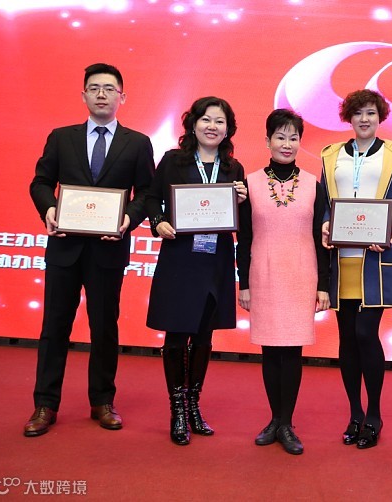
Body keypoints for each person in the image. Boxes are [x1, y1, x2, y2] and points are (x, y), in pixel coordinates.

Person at [25, 63, 155, 437]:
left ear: (122, 97)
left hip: (108, 250)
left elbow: (146, 192)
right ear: (83, 95)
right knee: (54, 327)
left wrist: (128, 219)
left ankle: (102, 401)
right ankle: (45, 404)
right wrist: (49, 209)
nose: (101, 94)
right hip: (64, 247)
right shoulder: (61, 137)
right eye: (94, 88)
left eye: (109, 88)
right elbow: (40, 182)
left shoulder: (137, 143)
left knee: (104, 328)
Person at [146, 96, 247, 446]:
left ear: (228, 129)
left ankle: (193, 406)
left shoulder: (234, 169)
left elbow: (240, 220)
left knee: (204, 338)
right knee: (176, 336)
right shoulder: (173, 160)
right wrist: (158, 222)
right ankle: (176, 410)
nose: (212, 126)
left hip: (216, 260)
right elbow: (151, 197)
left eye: (219, 121)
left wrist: (242, 200)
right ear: (193, 124)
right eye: (206, 119)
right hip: (180, 259)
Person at [320, 89, 392, 449]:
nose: (364, 119)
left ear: (380, 117)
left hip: (376, 258)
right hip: (340, 257)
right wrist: (326, 222)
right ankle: (354, 414)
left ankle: (374, 413)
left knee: (365, 334)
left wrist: (391, 229)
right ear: (348, 117)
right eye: (358, 113)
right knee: (347, 338)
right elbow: (324, 201)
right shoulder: (331, 155)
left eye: (371, 113)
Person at [238, 109, 330, 455]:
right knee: (269, 350)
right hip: (263, 273)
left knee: (291, 351)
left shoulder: (313, 185)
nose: (287, 144)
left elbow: (321, 238)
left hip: (301, 274)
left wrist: (324, 284)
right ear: (267, 141)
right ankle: (274, 420)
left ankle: (286, 423)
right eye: (280, 137)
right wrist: (243, 283)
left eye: (293, 138)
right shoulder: (249, 184)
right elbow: (244, 238)